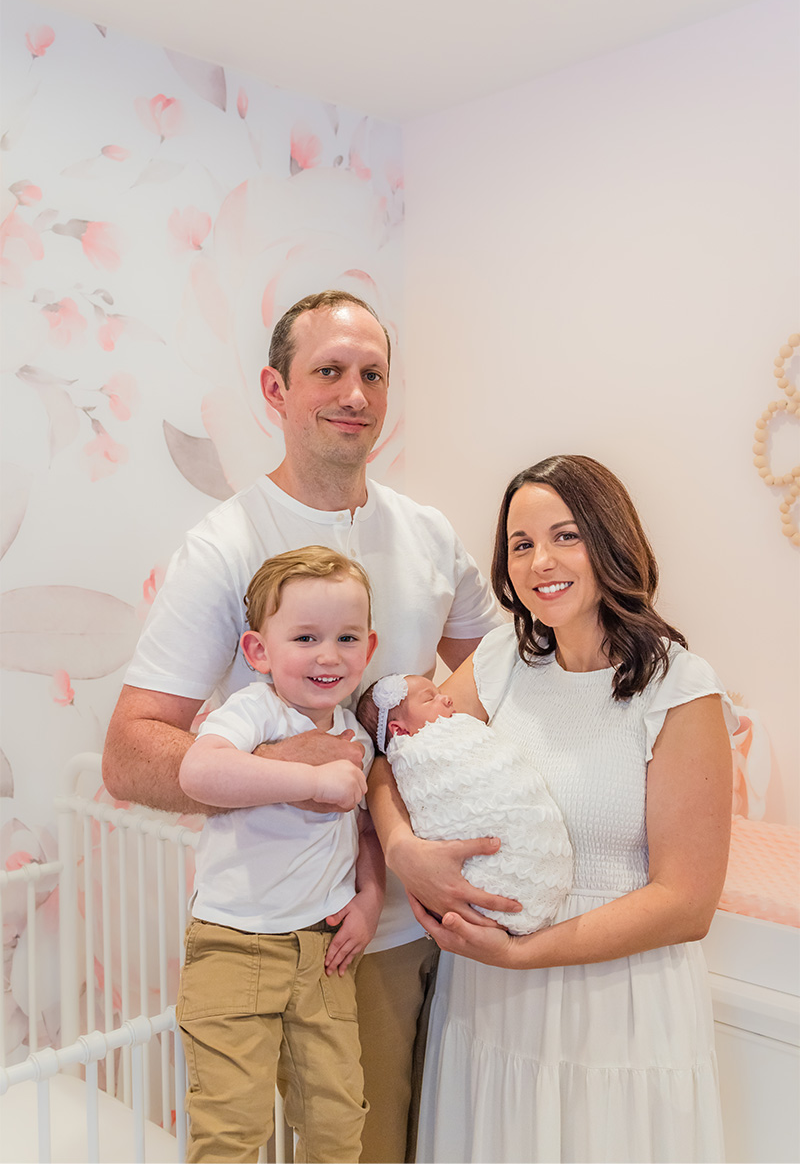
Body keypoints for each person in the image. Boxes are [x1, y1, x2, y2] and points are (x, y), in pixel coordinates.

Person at [102, 290, 507, 1164]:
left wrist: (409, 715)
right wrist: (285, 763)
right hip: (269, 929)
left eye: (372, 375)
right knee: (235, 1143)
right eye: (328, 370)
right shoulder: (221, 544)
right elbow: (130, 753)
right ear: (275, 390)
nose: (353, 393)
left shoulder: (429, 535)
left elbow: (502, 671)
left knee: (371, 1145)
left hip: (400, 920)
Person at [369, 455, 736, 1164]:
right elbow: (396, 757)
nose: (541, 561)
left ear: (610, 542)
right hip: (491, 1004)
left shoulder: (679, 689)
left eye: (565, 536)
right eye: (521, 544)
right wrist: (400, 848)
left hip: (615, 1003)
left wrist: (523, 955)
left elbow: (687, 901)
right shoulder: (506, 659)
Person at [177, 547, 380, 1163]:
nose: (328, 654)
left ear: (369, 649)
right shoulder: (256, 711)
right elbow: (200, 773)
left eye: (346, 637)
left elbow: (365, 831)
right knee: (232, 1129)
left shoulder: (358, 737)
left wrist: (370, 898)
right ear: (258, 652)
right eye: (305, 637)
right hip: (234, 943)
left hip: (323, 952)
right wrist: (311, 781)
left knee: (337, 1123)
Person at [357, 674, 573, 934]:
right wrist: (398, 845)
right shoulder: (415, 754)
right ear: (400, 731)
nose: (447, 698)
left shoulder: (458, 727)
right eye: (431, 698)